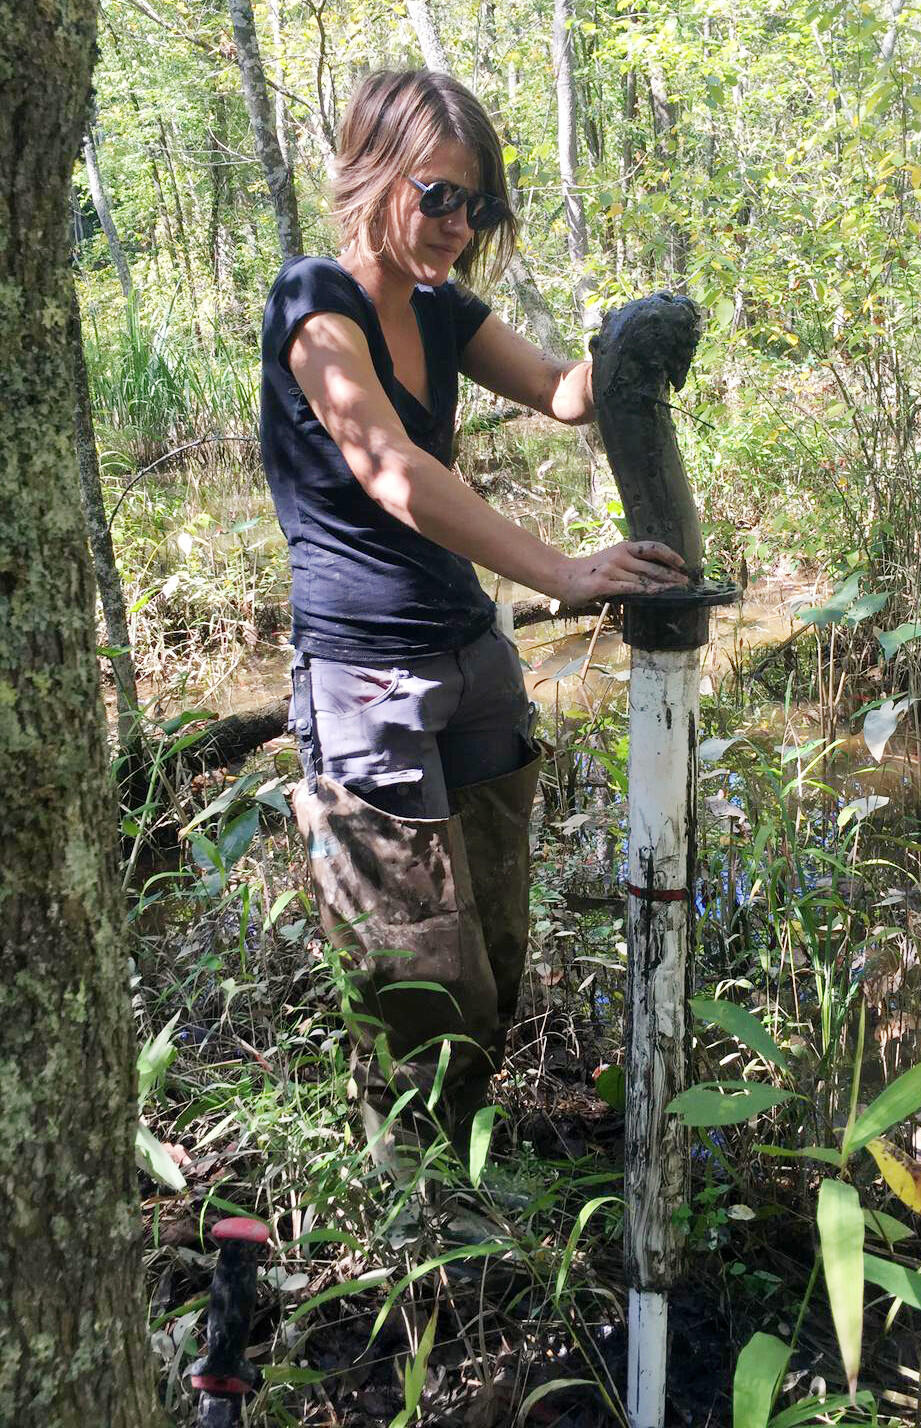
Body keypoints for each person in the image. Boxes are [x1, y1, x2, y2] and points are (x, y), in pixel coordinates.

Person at [259, 68, 686, 1164]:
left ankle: (476, 1160)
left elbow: (560, 390)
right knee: (414, 961)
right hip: (368, 680)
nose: (459, 225)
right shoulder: (316, 303)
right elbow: (389, 466)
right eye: (439, 195)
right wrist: (564, 569)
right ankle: (414, 1195)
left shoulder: (446, 310)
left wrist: (634, 340)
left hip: (469, 659)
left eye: (479, 204)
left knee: (492, 928)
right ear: (372, 172)